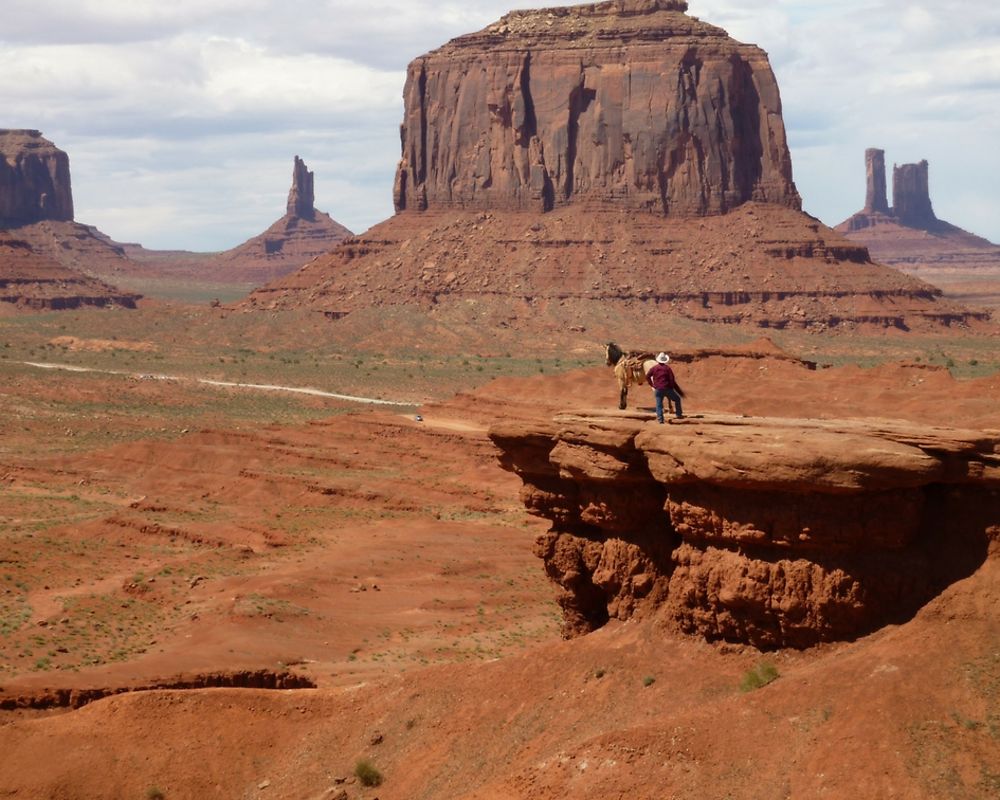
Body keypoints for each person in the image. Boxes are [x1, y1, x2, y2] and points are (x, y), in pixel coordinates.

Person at [646, 352, 683, 423]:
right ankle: (678, 414)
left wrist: (652, 385)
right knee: (677, 399)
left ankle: (660, 419)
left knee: (659, 404)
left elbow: (647, 376)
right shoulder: (667, 368)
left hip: (658, 389)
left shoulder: (654, 368)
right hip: (667, 388)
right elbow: (672, 379)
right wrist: (671, 387)